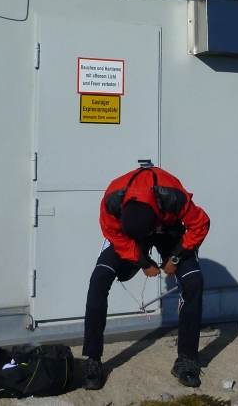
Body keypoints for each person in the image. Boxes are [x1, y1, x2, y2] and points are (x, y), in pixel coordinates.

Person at [82, 162, 211, 390]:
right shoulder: (112, 201)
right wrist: (142, 261)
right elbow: (113, 234)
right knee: (98, 279)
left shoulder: (174, 197)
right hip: (128, 238)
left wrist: (175, 258)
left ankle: (187, 359)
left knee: (194, 281)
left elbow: (200, 224)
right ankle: (93, 360)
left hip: (167, 227)